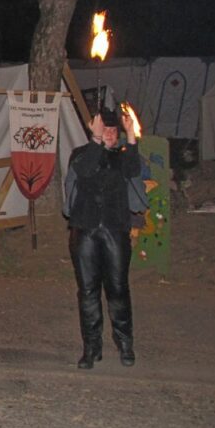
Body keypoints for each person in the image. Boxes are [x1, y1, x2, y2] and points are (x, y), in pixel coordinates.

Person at [64, 106, 140, 369]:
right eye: (104, 129)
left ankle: (125, 344)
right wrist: (96, 142)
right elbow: (84, 170)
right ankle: (92, 347)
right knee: (87, 291)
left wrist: (131, 136)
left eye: (113, 130)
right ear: (94, 130)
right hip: (84, 230)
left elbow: (133, 170)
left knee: (118, 289)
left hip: (115, 229)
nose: (109, 133)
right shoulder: (81, 154)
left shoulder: (121, 157)